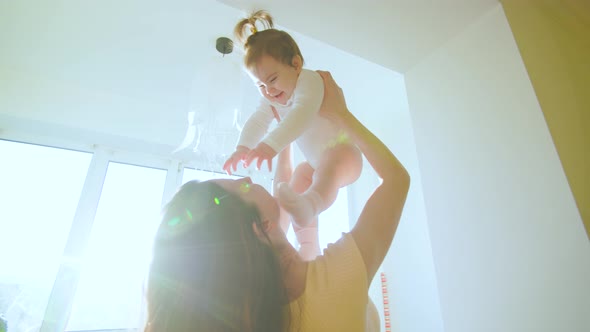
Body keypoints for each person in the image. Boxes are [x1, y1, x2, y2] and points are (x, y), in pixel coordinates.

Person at [145, 71, 410, 331]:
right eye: (244, 186)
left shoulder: (262, 311)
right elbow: (396, 180)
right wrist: (341, 115)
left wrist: (286, 131)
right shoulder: (339, 277)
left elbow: (283, 185)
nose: (249, 180)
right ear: (260, 228)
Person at [222, 10, 363, 259]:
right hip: (315, 163)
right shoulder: (273, 99)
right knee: (298, 179)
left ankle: (312, 204)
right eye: (260, 85)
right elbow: (258, 120)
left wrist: (271, 144)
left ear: (296, 65)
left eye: (273, 79)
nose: (268, 90)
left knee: (328, 168)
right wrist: (242, 148)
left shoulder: (309, 81)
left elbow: (303, 113)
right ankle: (308, 244)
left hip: (344, 153)